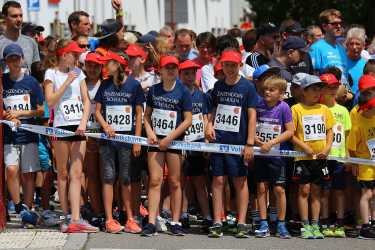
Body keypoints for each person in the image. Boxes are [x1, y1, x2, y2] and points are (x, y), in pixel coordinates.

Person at [44, 39, 98, 233]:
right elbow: (50, 101)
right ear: (63, 55)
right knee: (63, 173)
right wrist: (67, 81)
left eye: (77, 55)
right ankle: (66, 216)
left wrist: (83, 122)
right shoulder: (51, 73)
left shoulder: (80, 73)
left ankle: (76, 217)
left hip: (78, 127)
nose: (76, 59)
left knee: (77, 173)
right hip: (60, 126)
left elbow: (86, 100)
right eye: (73, 55)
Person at [205, 50, 258, 238]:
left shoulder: (248, 87)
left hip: (238, 143)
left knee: (239, 181)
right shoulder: (218, 86)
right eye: (226, 65)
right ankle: (218, 221)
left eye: (233, 65)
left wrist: (250, 143)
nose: (229, 68)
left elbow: (252, 116)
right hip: (219, 141)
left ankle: (242, 222)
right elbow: (212, 109)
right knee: (218, 180)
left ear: (240, 66)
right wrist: (209, 125)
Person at [141, 55, 192, 236]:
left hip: (174, 140)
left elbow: (188, 120)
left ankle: (175, 221)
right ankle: (151, 221)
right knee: (155, 180)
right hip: (155, 141)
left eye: (174, 67)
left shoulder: (183, 91)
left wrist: (170, 138)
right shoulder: (154, 90)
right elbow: (147, 116)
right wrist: (150, 132)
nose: (170, 70)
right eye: (167, 67)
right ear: (160, 70)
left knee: (175, 182)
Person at [94, 51, 144, 234]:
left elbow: (139, 114)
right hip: (108, 141)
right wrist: (105, 126)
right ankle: (109, 219)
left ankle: (130, 218)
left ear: (119, 64)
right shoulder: (105, 85)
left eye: (108, 62)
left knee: (125, 179)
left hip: (127, 140)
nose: (105, 66)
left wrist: (137, 141)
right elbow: (97, 111)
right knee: (108, 177)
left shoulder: (134, 85)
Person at [2, 43, 44, 222]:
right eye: (10, 58)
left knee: (28, 174)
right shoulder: (2, 81)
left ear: (22, 59)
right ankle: (19, 207)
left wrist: (21, 113)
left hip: (29, 134)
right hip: (9, 135)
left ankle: (28, 210)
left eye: (17, 57)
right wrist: (8, 115)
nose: (14, 61)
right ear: (6, 61)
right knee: (11, 170)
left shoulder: (32, 82)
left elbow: (41, 110)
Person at [291, 74, 334, 239]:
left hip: (320, 157)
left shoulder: (324, 109)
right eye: (313, 89)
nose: (317, 92)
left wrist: (328, 147)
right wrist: (304, 147)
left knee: (316, 191)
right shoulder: (296, 109)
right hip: (303, 158)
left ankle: (315, 224)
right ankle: (305, 224)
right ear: (304, 91)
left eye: (319, 89)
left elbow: (330, 130)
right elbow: (291, 133)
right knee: (304, 190)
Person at [253, 76, 294, 239]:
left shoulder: (284, 107)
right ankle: (263, 223)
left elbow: (290, 131)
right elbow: (252, 126)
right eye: (265, 89)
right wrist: (256, 140)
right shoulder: (259, 105)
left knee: (278, 189)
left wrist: (272, 143)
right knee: (261, 188)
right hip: (261, 154)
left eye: (272, 90)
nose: (267, 92)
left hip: (277, 155)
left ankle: (281, 223)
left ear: (282, 94)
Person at [179, 60, 211, 228]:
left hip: (198, 144)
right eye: (186, 74)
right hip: (181, 145)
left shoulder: (201, 95)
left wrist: (206, 142)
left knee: (199, 182)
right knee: (181, 181)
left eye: (192, 73)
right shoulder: (177, 93)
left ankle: (206, 216)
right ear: (180, 75)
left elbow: (205, 118)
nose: (190, 77)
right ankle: (182, 214)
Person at [319, 73, 351, 238]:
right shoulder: (318, 109)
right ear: (321, 89)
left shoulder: (343, 110)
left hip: (338, 157)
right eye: (328, 87)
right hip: (322, 157)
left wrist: (347, 157)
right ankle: (324, 220)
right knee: (324, 190)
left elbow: (346, 135)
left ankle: (339, 221)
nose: (332, 90)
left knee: (339, 190)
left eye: (334, 87)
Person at [347, 95, 375, 239]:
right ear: (367, 108)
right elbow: (351, 147)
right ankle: (365, 226)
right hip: (365, 165)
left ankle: (373, 223)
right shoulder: (358, 125)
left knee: (374, 195)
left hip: (374, 163)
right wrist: (354, 163)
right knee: (367, 194)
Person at [83, 52, 104, 221]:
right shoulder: (79, 84)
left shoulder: (106, 85)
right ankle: (97, 212)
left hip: (104, 135)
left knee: (107, 174)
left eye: (96, 65)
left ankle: (108, 209)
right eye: (89, 65)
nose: (92, 68)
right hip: (86, 134)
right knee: (90, 174)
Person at [0, 1, 40, 72]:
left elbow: (36, 73)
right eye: (14, 16)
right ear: (4, 17)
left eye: (21, 15)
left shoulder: (31, 42)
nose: (19, 19)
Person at [309, 9, 347, 74]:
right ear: (324, 26)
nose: (339, 26)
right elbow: (313, 75)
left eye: (340, 23)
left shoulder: (342, 49)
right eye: (334, 24)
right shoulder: (316, 48)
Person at [345, 27, 367, 95]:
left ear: (363, 46)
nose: (354, 47)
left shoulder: (367, 64)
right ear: (347, 45)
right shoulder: (340, 63)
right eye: (351, 44)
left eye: (357, 44)